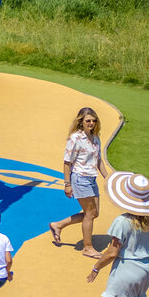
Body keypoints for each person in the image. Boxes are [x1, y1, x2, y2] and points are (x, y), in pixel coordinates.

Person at [49, 107, 110, 258]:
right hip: (80, 179)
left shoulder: (96, 138)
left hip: (91, 178)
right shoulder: (75, 138)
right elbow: (67, 163)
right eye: (88, 120)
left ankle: (58, 225)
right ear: (81, 121)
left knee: (94, 213)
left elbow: (99, 161)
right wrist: (67, 184)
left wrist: (108, 178)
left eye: (94, 121)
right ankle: (87, 247)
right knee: (90, 213)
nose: (91, 123)